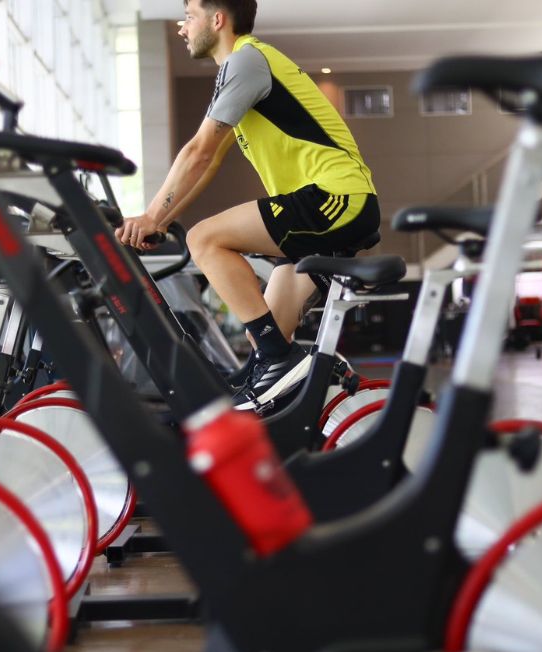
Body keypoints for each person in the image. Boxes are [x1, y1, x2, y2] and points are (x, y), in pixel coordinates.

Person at [114, 0, 379, 409]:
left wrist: (152, 217)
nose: (182, 28)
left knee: (205, 240)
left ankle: (280, 360)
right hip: (324, 205)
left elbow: (200, 152)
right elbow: (210, 161)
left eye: (189, 17)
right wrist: (160, 221)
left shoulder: (246, 62)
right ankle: (298, 407)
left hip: (336, 197)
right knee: (266, 336)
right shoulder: (238, 69)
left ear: (217, 20)